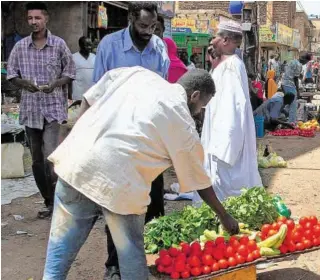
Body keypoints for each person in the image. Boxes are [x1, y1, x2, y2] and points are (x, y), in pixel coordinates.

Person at [43, 67, 239, 280]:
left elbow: (90, 97)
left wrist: (77, 137)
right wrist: (224, 216)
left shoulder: (138, 74)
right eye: (203, 106)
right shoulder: (182, 120)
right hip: (120, 186)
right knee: (131, 255)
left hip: (76, 163)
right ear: (195, 95)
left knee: (56, 261)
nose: (200, 112)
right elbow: (200, 183)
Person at [92, 2, 169, 279]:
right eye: (143, 26)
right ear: (130, 19)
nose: (149, 32)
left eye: (153, 27)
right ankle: (114, 265)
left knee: (155, 203)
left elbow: (162, 92)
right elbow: (97, 92)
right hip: (117, 137)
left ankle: (152, 259)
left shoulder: (159, 48)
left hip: (150, 138)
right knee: (119, 204)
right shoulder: (110, 46)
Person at [7, 1, 76, 219]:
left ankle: (58, 202)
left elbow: (70, 72)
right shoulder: (20, 48)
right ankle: (48, 200)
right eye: (30, 18)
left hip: (53, 108)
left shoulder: (59, 45)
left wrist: (56, 84)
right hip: (31, 110)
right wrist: (24, 84)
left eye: (37, 18)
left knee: (50, 157)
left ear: (46, 19)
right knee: (36, 160)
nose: (33, 22)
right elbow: (11, 74)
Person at [198, 19, 262, 201]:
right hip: (220, 142)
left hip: (225, 146)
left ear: (225, 40)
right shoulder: (224, 65)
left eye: (214, 37)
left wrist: (224, 147)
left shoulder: (232, 66)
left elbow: (233, 109)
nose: (211, 41)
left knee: (231, 194)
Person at [282, 52, 312, 123]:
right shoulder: (299, 65)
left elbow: (292, 73)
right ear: (305, 60)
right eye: (307, 62)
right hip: (290, 84)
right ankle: (292, 122)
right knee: (293, 104)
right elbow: (295, 79)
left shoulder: (293, 61)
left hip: (284, 83)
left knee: (288, 103)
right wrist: (298, 91)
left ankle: (283, 116)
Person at [70, 36, 95, 101]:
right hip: (78, 95)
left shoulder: (95, 57)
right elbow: (69, 78)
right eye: (87, 45)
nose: (89, 47)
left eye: (90, 45)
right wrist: (69, 94)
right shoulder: (73, 58)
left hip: (92, 94)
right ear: (80, 45)